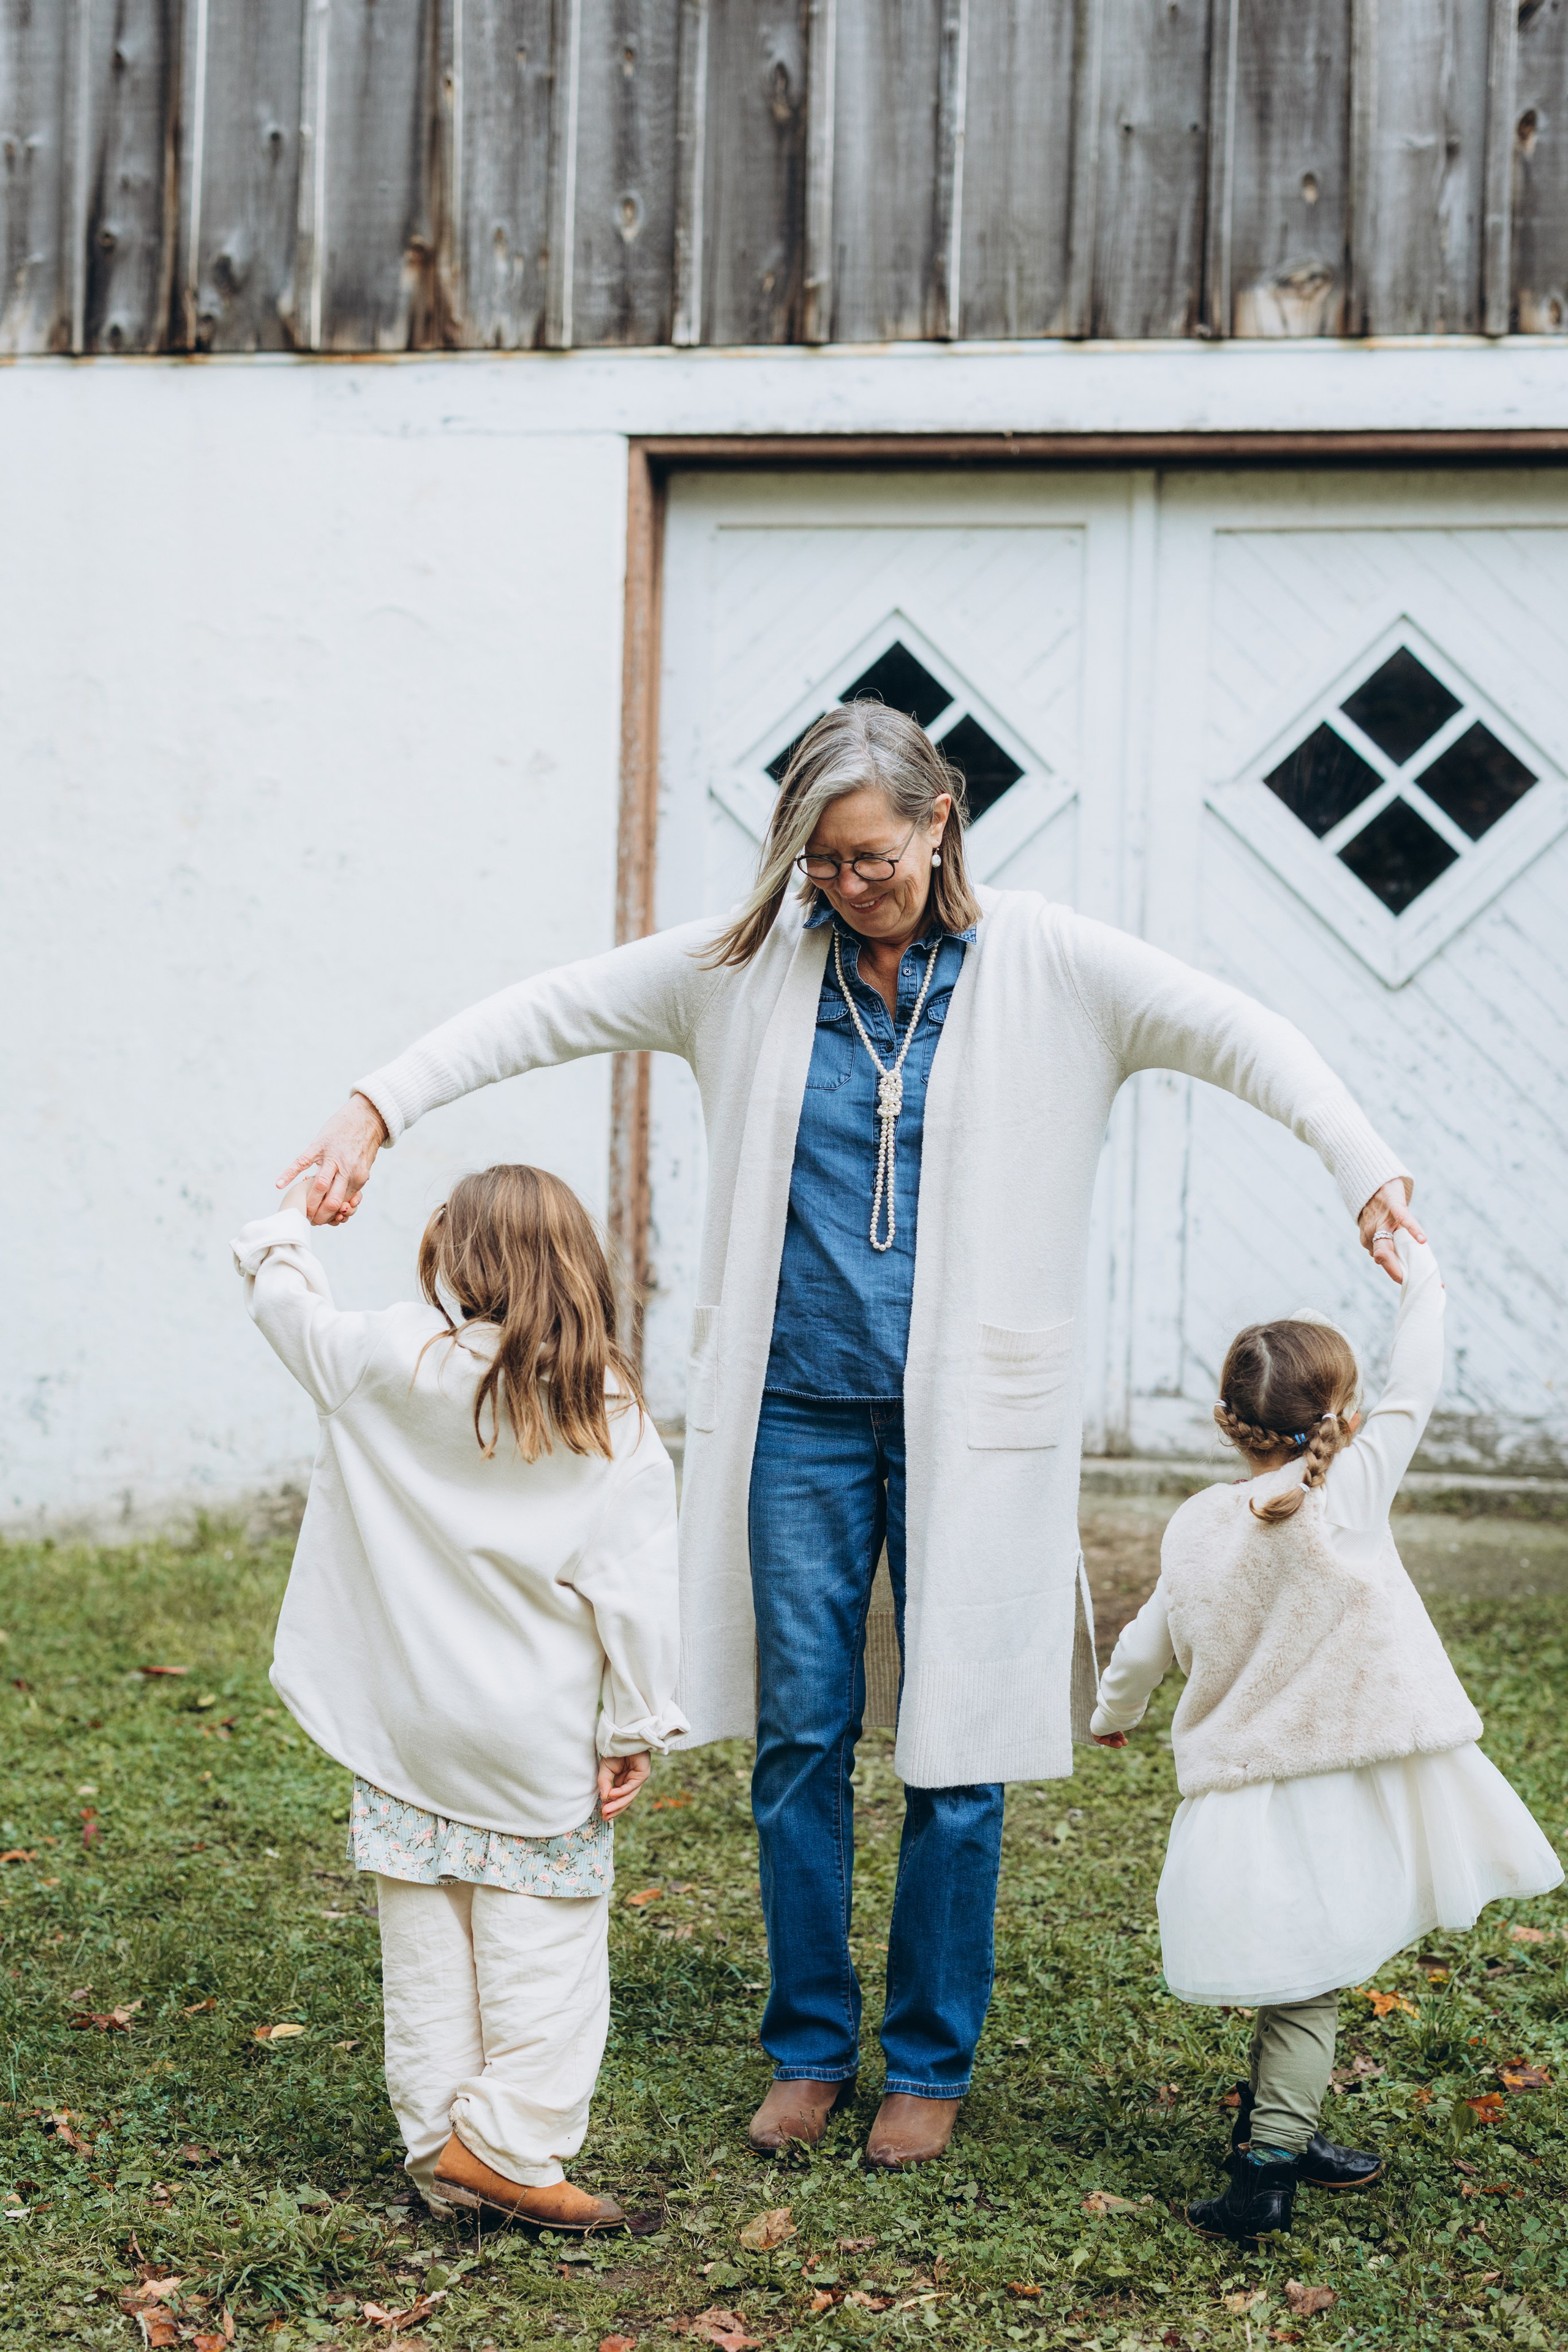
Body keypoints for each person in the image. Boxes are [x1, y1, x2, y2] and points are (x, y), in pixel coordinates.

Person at [278, 701, 1424, 2168]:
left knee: (958, 1747)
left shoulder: (1050, 964)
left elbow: (1235, 1032)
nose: (844, 884)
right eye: (817, 862)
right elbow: (548, 1007)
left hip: (977, 1425)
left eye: (868, 855)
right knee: (800, 1735)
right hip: (795, 1413)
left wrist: (1360, 1165)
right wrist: (376, 1106)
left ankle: (928, 2062)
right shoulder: (748, 966)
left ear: (939, 822)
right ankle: (808, 2046)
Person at [232, 1163, 684, 2229]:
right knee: (547, 1952)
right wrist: (634, 1724)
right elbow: (635, 1594)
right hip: (535, 1735)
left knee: (426, 1945)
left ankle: (441, 2149)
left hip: (406, 1729)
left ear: (455, 1258)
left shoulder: (388, 1361)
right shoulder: (606, 1413)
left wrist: (296, 1218)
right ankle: (511, 2147)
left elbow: (281, 1300)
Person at [1090, 1233, 1562, 2243]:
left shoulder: (1197, 1525)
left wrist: (1111, 1716)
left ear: (1230, 1420)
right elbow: (1418, 1380)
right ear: (1342, 1417)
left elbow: (1143, 1642)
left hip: (1251, 1795)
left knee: (1299, 1973)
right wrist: (1420, 1273)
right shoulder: (1350, 1493)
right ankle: (1269, 2166)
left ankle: (1283, 2133)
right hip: (1337, 1793)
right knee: (1305, 1987)